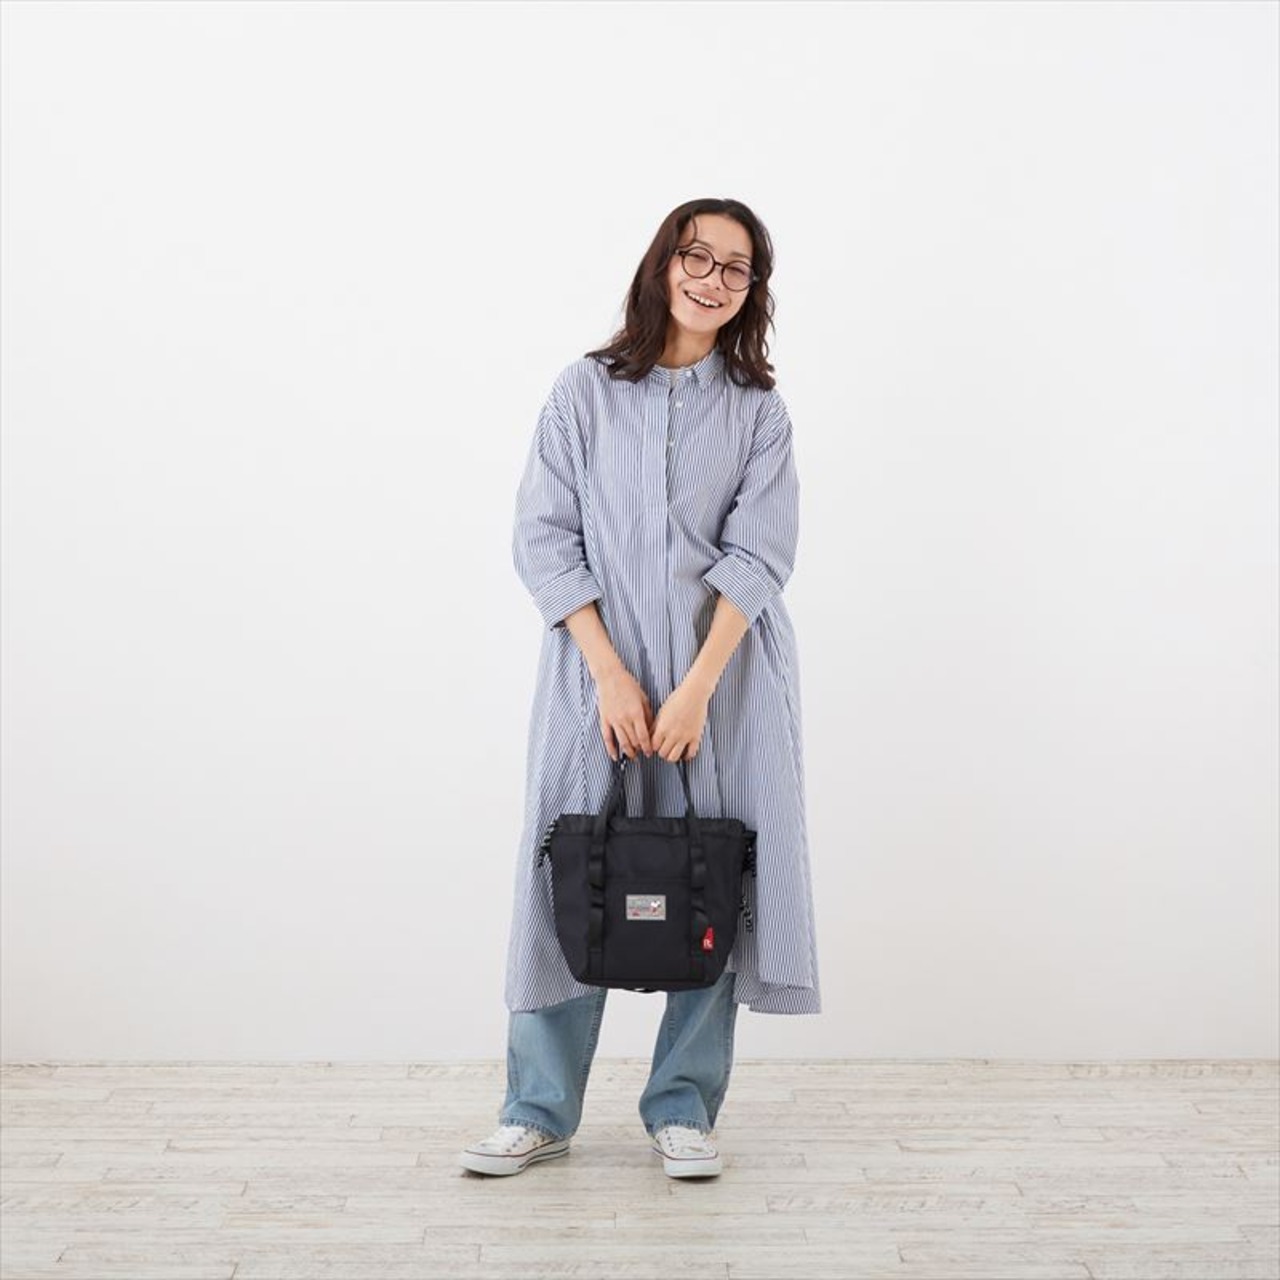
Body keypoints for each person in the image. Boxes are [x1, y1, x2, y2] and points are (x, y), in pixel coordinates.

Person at [459, 198, 821, 1181]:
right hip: (593, 678)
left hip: (727, 681)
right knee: (567, 867)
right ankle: (536, 1108)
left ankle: (682, 1105)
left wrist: (697, 687)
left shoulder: (757, 410)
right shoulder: (582, 392)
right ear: (662, 264)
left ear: (751, 290)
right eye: (696, 256)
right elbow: (544, 536)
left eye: (735, 267)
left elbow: (760, 553)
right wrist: (610, 673)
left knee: (715, 873)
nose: (712, 279)